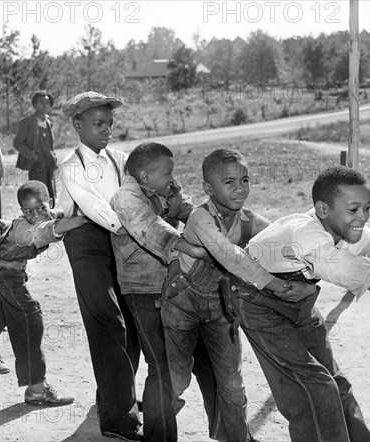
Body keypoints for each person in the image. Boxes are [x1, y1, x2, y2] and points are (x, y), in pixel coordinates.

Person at [230, 165, 370, 442]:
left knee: (338, 385)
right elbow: (355, 273)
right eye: (354, 209)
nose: (363, 217)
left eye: (367, 208)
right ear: (323, 210)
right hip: (259, 306)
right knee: (315, 390)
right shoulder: (307, 235)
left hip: (299, 301)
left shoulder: (343, 224)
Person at [161, 149, 312, 442]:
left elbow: (280, 240)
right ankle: (158, 430)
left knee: (231, 381)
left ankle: (237, 438)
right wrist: (276, 286)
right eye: (229, 182)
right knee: (175, 379)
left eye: (244, 180)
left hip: (220, 308)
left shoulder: (248, 220)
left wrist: (308, 260)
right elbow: (230, 256)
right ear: (208, 188)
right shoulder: (200, 218)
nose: (239, 188)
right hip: (182, 306)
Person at [111, 142, 215, 442]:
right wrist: (197, 249)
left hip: (176, 284)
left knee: (202, 359)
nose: (173, 177)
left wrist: (213, 229)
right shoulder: (125, 197)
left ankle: (230, 431)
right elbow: (151, 227)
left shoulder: (167, 188)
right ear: (144, 175)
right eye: (167, 172)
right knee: (161, 366)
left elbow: (190, 211)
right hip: (144, 291)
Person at [0, 180, 84, 405]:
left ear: (49, 202)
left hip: (6, 273)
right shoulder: (22, 228)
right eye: (29, 211)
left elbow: (60, 215)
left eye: (41, 208)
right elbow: (42, 232)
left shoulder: (50, 213)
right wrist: (85, 220)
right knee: (29, 317)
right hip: (4, 273)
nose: (37, 215)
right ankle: (37, 388)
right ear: (22, 211)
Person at [58, 91, 142, 440]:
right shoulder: (70, 165)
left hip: (121, 240)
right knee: (108, 323)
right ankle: (118, 420)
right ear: (78, 125)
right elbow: (94, 207)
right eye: (98, 124)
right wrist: (131, 227)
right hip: (87, 242)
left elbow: (139, 193)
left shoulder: (121, 159)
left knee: (133, 321)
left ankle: (112, 397)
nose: (106, 129)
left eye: (110, 123)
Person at [13, 91, 58, 201]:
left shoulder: (48, 122)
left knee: (50, 195)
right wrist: (33, 155)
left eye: (47, 102)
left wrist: (54, 158)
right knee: (37, 195)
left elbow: (50, 145)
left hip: (49, 164)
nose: (45, 105)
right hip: (36, 164)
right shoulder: (27, 122)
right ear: (35, 105)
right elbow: (17, 143)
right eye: (41, 102)